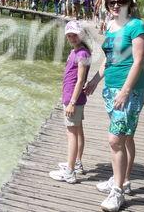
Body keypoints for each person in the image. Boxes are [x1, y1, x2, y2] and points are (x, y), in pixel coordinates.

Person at [84, 0, 144, 212]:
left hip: (129, 90)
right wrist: (94, 80)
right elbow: (109, 60)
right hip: (111, 88)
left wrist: (125, 90)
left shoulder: (136, 26)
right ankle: (123, 180)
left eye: (119, 2)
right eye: (111, 2)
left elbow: (139, 61)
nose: (114, 6)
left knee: (115, 140)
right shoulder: (111, 25)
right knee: (126, 137)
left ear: (129, 3)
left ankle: (118, 192)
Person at [49, 20, 91, 184]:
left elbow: (80, 80)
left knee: (71, 134)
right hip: (73, 97)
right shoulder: (78, 51)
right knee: (78, 130)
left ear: (81, 35)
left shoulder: (81, 54)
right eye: (69, 35)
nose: (72, 37)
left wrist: (72, 102)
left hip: (74, 99)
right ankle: (76, 163)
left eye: (75, 34)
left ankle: (70, 172)